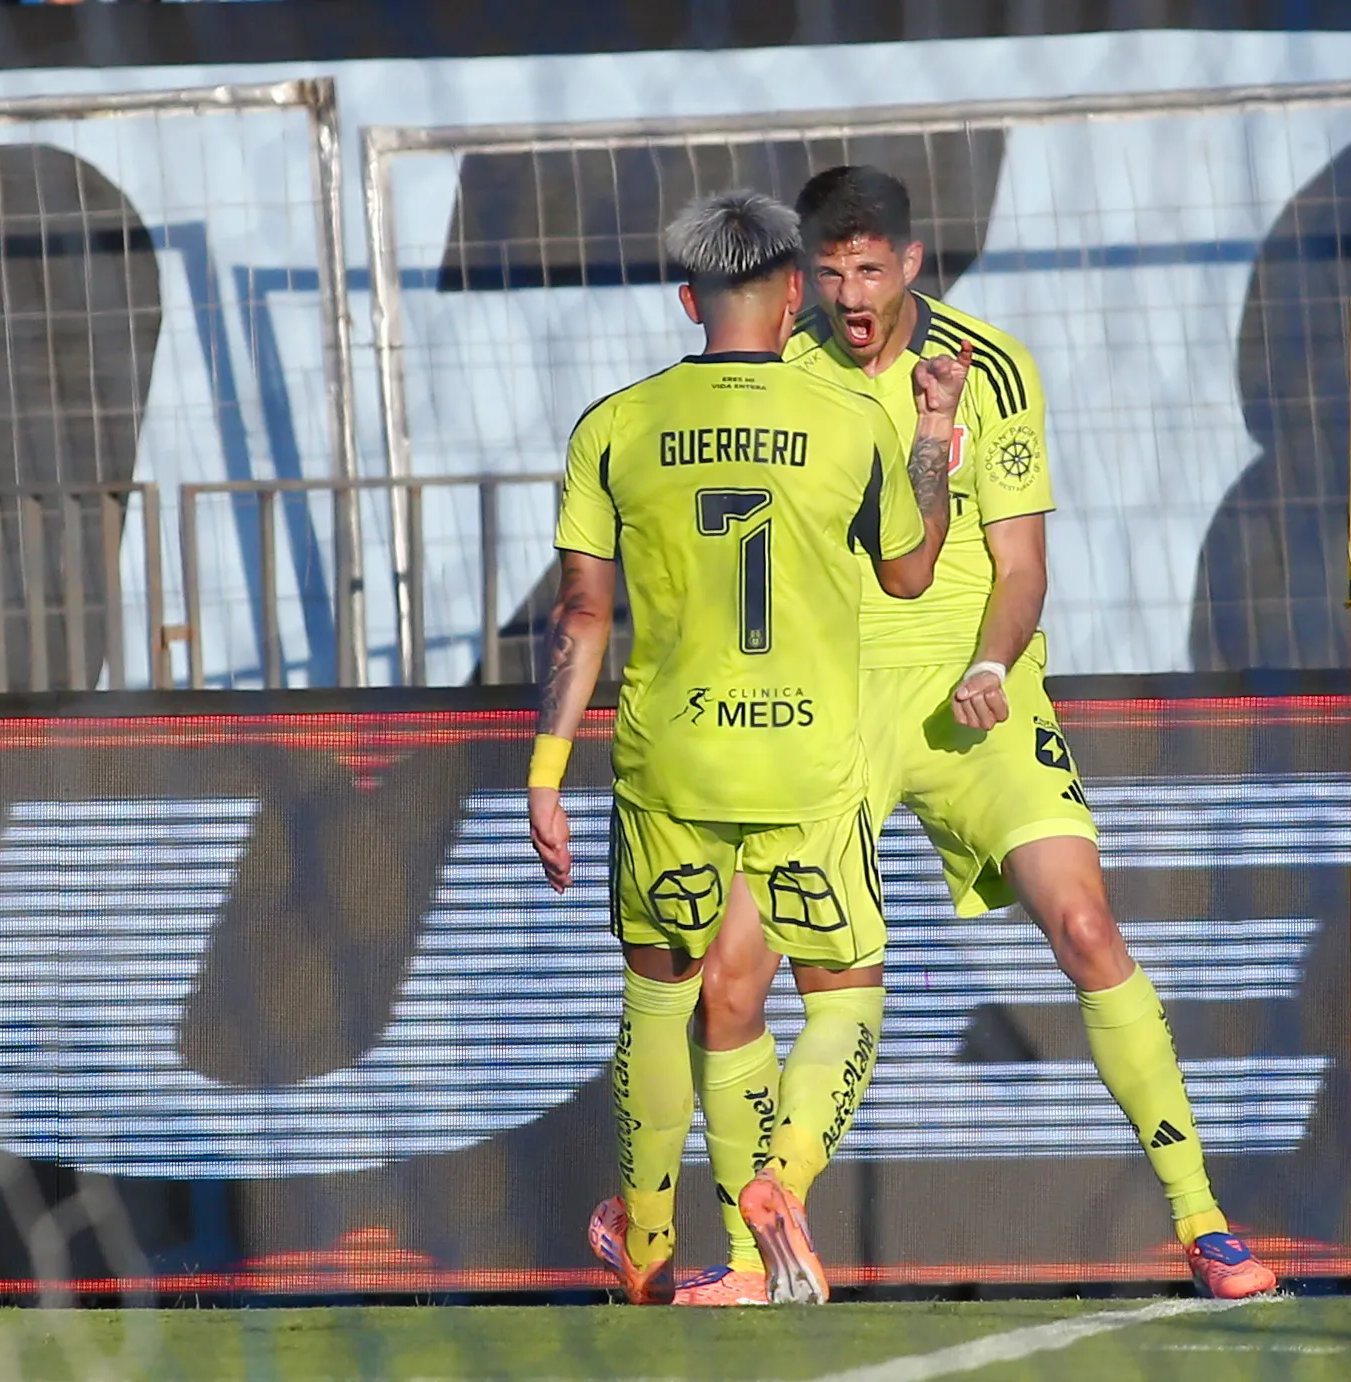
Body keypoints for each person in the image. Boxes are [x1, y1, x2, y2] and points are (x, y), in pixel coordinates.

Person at [661, 166, 1278, 1307]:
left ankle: (1204, 1222)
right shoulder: (779, 371)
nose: (849, 294)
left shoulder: (991, 369)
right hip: (830, 712)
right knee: (733, 979)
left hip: (972, 699)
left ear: (911, 265)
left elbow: (1023, 564)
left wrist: (993, 662)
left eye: (869, 270)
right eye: (830, 273)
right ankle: (754, 1256)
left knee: (1088, 923)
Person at [530, 189, 965, 1305]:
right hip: (808, 759)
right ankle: (781, 1173)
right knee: (845, 991)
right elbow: (912, 573)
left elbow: (580, 615)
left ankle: (650, 1241)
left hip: (670, 757)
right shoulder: (849, 419)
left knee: (661, 998)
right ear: (790, 293)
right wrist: (929, 439)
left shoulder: (615, 423)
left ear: (688, 298)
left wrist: (546, 771)